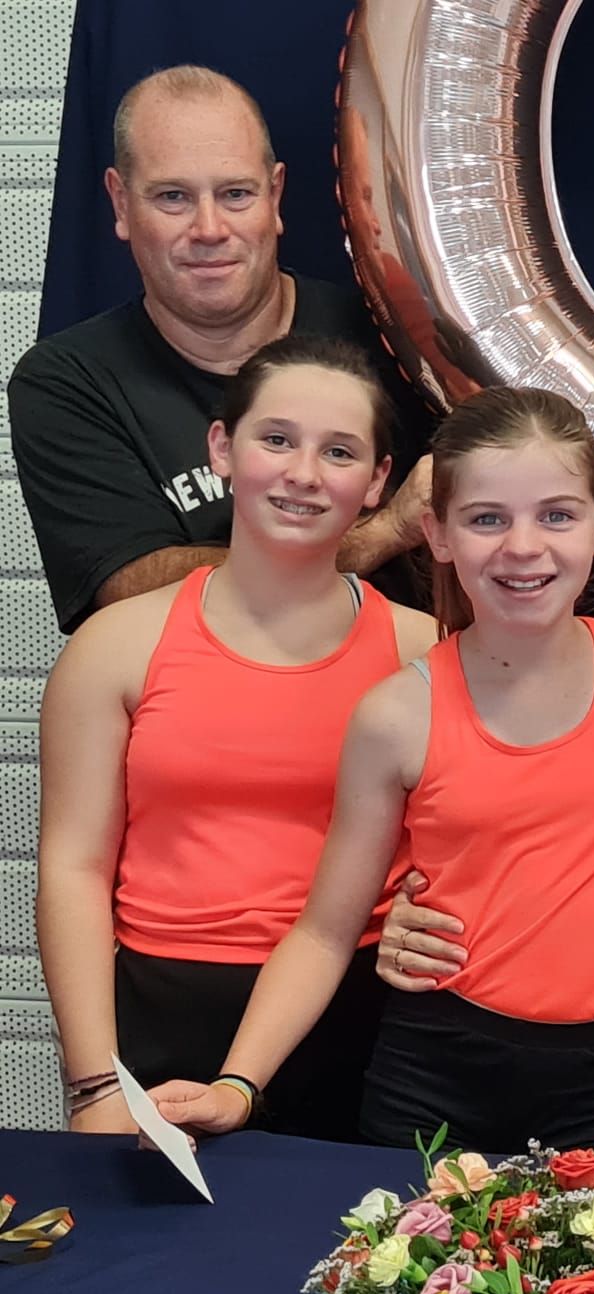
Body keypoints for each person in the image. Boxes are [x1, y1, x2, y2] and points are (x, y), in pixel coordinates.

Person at [147, 387, 594, 1152]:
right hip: (431, 1072)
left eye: (557, 515)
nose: (523, 546)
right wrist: (237, 1084)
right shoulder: (397, 714)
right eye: (486, 519)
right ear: (437, 533)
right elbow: (325, 932)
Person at [38, 336, 436, 1139]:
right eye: (277, 439)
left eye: (339, 451)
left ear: (377, 482)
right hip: (161, 1011)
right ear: (223, 448)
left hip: (368, 1023)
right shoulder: (116, 644)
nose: (303, 473)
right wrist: (93, 1082)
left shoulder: (423, 652)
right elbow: (73, 868)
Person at [9, 66, 430, 636]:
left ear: (274, 196)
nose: (209, 229)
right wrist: (382, 534)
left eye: (235, 194)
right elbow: (129, 586)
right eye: (173, 197)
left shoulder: (391, 332)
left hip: (402, 674)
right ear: (120, 203)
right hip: (195, 686)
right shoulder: (68, 381)